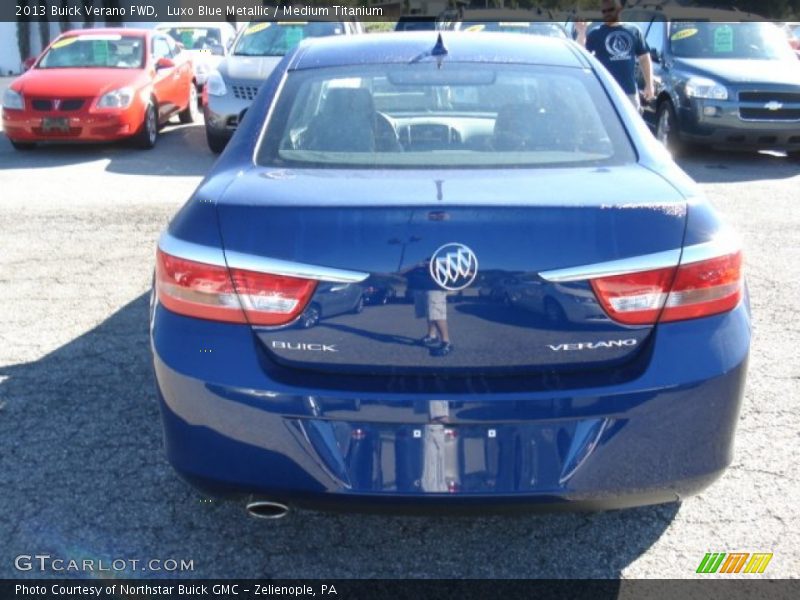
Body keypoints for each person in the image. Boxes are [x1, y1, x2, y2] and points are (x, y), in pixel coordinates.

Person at [575, 0, 654, 111]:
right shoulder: (596, 33)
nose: (607, 13)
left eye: (610, 10)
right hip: (605, 92)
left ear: (619, 9)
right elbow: (580, 54)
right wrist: (581, 32)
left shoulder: (634, 31)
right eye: (604, 11)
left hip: (629, 92)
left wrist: (649, 85)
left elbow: (644, 58)